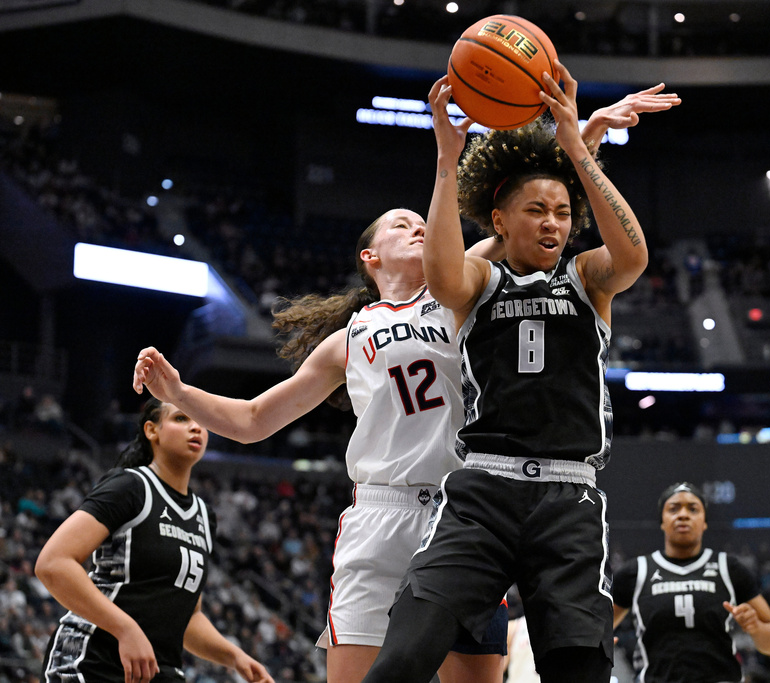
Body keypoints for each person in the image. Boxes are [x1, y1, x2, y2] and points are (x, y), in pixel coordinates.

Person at [131, 84, 680, 683]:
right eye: (401, 224)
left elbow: (537, 219)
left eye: (425, 222)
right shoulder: (350, 337)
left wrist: (585, 141)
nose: (419, 227)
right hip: (383, 511)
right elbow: (255, 420)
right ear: (370, 256)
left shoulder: (469, 285)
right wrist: (181, 395)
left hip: (470, 504)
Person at [361, 63, 679, 683]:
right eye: (536, 210)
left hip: (569, 495)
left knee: (580, 669)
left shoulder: (587, 278)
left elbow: (633, 253)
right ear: (501, 221)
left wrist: (576, 145)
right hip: (484, 491)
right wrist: (447, 161)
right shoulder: (481, 281)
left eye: (563, 212)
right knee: (403, 655)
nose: (554, 223)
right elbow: (443, 275)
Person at [36, 398, 273, 683]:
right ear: (152, 430)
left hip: (157, 669)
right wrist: (125, 628)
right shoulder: (130, 487)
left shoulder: (204, 515)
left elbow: (188, 618)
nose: (196, 427)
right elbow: (53, 563)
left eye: (202, 421)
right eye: (181, 419)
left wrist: (234, 657)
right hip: (93, 658)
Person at [611, 482, 770, 683]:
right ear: (662, 521)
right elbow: (600, 629)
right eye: (673, 508)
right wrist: (600, 645)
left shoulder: (728, 568)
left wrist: (756, 628)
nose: (683, 515)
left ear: (704, 522)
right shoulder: (636, 571)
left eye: (693, 509)